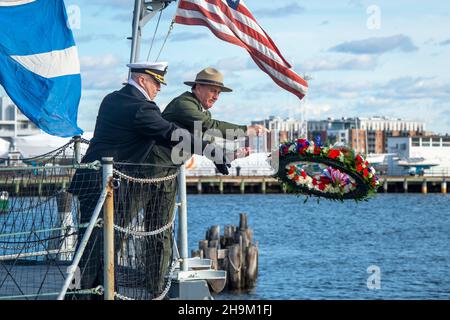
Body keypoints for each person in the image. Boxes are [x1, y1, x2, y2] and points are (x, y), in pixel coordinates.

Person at [67, 62, 228, 299]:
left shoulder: (112, 98)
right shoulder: (141, 108)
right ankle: (78, 296)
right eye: (156, 82)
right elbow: (170, 132)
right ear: (142, 80)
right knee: (95, 246)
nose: (159, 89)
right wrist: (211, 151)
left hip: (93, 180)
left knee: (93, 243)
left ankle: (95, 293)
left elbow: (158, 137)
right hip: (102, 184)